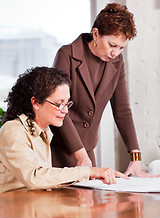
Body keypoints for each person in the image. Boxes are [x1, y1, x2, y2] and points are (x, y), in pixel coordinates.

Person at [50, 3, 151, 177]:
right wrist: (79, 154)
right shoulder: (66, 55)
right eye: (112, 45)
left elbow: (122, 111)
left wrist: (135, 158)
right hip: (60, 152)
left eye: (121, 48)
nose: (115, 53)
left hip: (88, 154)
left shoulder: (117, 63)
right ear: (96, 34)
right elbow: (57, 108)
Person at [0, 67, 127, 193]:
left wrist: (87, 175)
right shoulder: (13, 130)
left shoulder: (45, 131)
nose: (65, 111)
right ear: (36, 102)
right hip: (15, 209)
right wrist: (88, 171)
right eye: (59, 104)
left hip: (35, 206)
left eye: (67, 104)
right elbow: (34, 177)